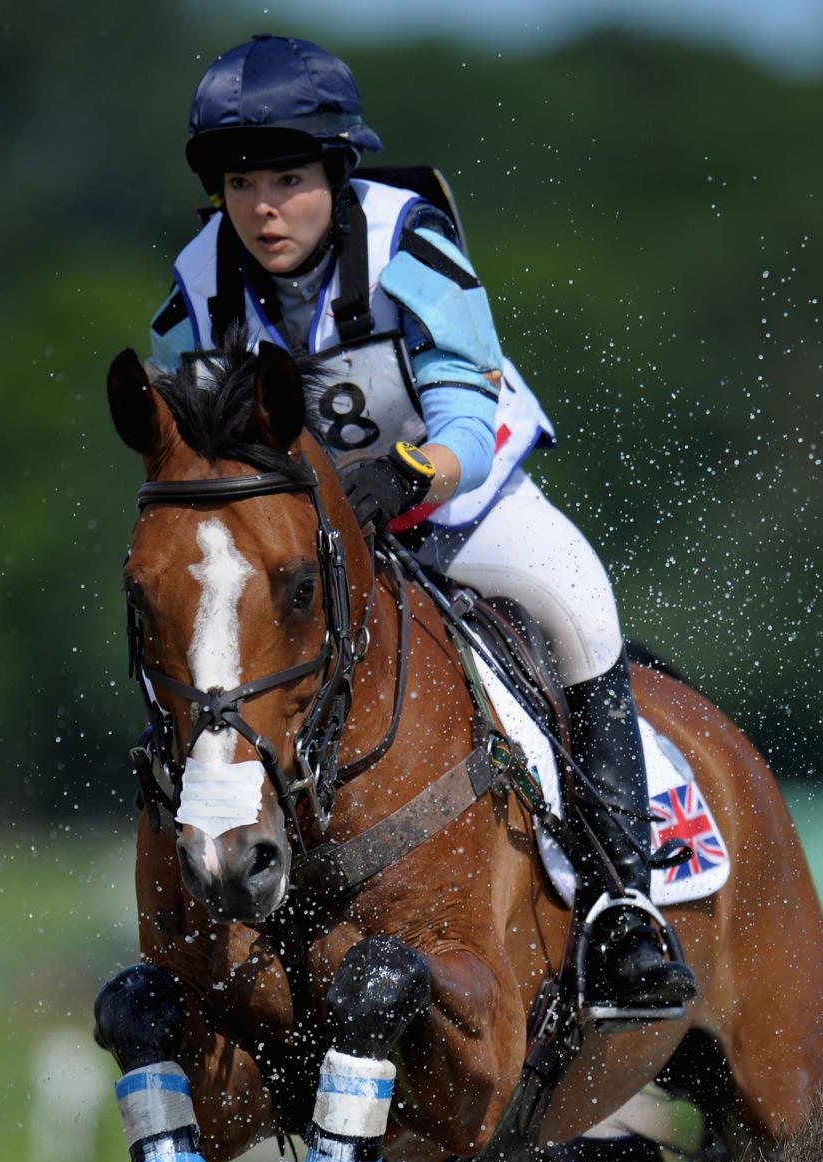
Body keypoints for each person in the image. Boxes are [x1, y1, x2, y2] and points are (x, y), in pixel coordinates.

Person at [146, 33, 696, 1024]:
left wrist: (424, 471)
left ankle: (622, 905)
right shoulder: (198, 286)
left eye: (289, 179)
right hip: (312, 552)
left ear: (335, 172)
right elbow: (189, 449)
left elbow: (460, 402)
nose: (266, 208)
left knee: (582, 612)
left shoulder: (406, 237)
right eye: (242, 183)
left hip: (456, 505)